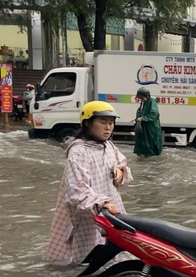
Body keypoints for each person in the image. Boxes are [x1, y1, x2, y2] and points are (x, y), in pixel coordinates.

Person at [44, 101, 133, 266]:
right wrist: (102, 203)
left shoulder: (109, 146)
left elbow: (123, 167)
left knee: (115, 257)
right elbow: (76, 190)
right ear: (87, 123)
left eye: (111, 123)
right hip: (89, 216)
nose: (108, 127)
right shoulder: (79, 151)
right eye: (103, 122)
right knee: (87, 261)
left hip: (111, 212)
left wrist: (121, 173)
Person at [133, 87, 163, 157]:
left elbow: (154, 114)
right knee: (143, 142)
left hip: (151, 127)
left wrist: (143, 118)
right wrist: (138, 117)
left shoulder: (152, 101)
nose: (141, 99)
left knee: (151, 143)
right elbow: (139, 110)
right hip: (144, 126)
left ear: (147, 96)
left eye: (142, 98)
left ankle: (151, 157)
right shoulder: (143, 102)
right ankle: (143, 155)